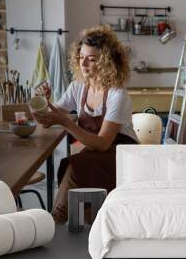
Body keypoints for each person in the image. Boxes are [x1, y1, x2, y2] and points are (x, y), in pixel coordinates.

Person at [33, 25, 139, 224]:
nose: (84, 63)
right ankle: (69, 222)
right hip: (96, 151)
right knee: (75, 166)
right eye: (81, 57)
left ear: (107, 62)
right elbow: (48, 119)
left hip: (121, 153)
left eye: (91, 59)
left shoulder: (117, 94)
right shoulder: (78, 88)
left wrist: (65, 122)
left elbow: (103, 143)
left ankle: (57, 220)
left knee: (76, 166)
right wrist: (42, 104)